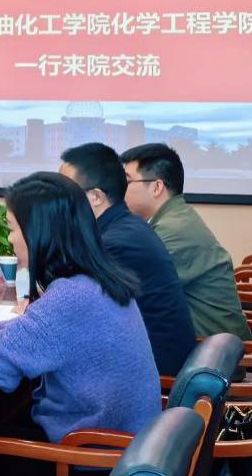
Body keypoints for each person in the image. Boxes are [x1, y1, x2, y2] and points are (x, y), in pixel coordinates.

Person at [0, 172, 160, 445]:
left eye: (13, 228)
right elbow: (31, 330)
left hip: (88, 456)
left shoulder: (72, 297)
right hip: (122, 445)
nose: (11, 239)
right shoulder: (96, 281)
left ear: (38, 233)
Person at [59, 142, 197, 376]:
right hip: (145, 356)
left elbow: (72, 316)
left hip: (154, 370)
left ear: (95, 197)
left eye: (63, 191)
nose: (55, 199)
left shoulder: (116, 243)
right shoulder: (123, 226)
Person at [120, 143, 251, 340]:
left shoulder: (173, 229)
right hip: (205, 341)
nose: (119, 189)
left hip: (212, 350)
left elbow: (126, 287)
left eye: (127, 181)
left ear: (156, 187)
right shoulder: (172, 217)